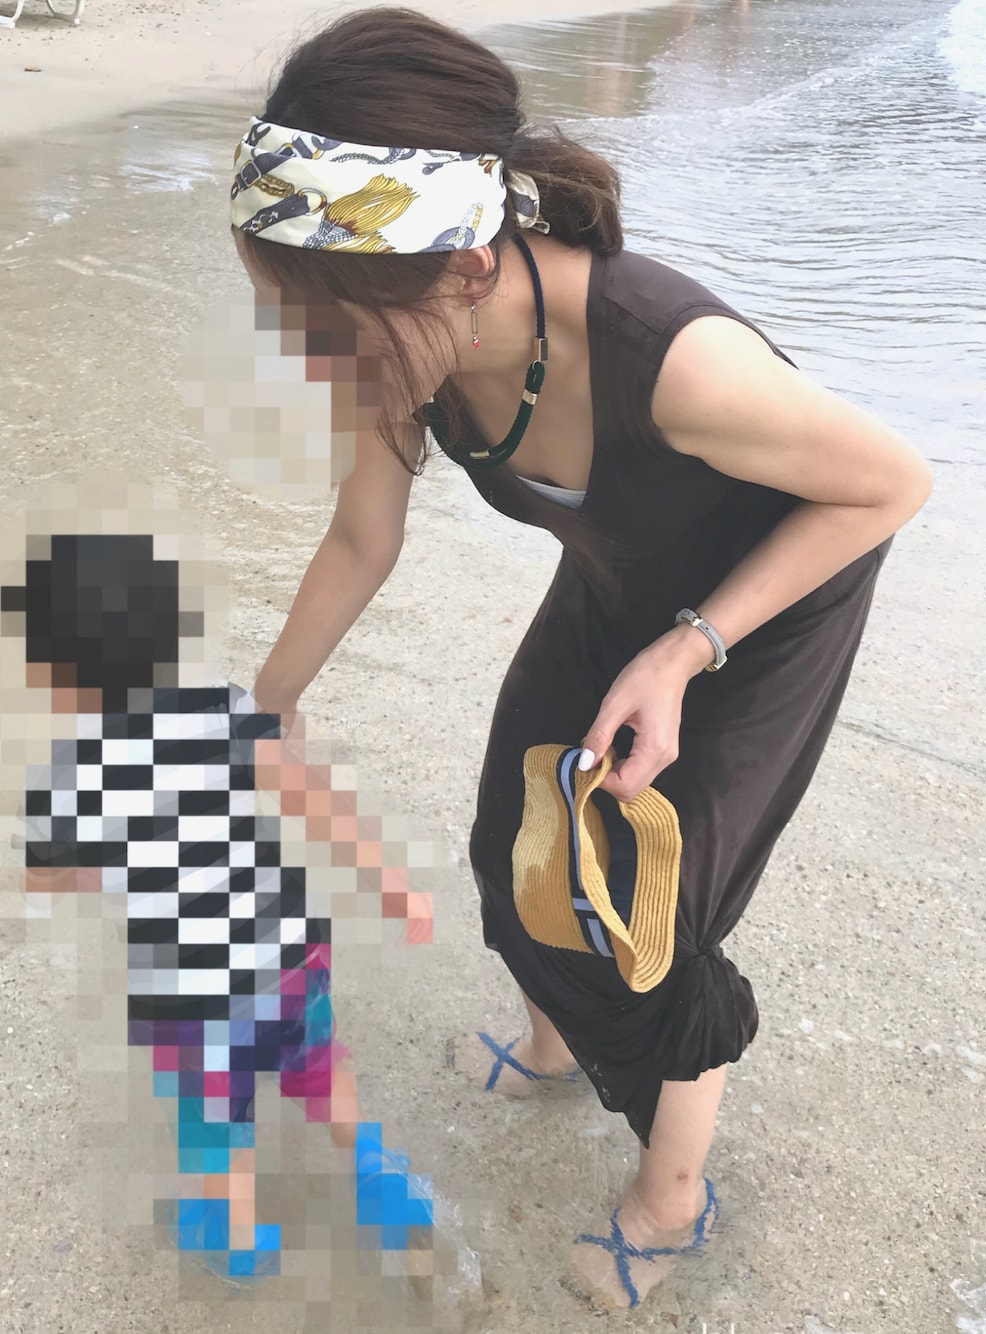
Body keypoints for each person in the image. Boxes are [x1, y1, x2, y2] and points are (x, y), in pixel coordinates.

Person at [232, 7, 934, 1311]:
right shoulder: (396, 334)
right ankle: (554, 1044)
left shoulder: (677, 362)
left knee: (644, 921)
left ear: (463, 268)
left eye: (320, 319)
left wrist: (688, 646)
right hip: (619, 576)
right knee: (513, 840)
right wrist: (263, 711)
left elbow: (891, 483)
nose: (307, 350)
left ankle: (671, 1197)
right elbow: (362, 535)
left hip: (759, 610)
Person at [4, 532, 436, 1284]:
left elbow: (46, 882)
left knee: (213, 1115)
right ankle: (377, 1175)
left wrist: (103, 870)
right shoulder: (221, 705)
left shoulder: (65, 781)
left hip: (192, 990)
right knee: (320, 1064)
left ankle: (236, 1238)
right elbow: (312, 800)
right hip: (288, 952)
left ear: (54, 674)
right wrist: (391, 882)